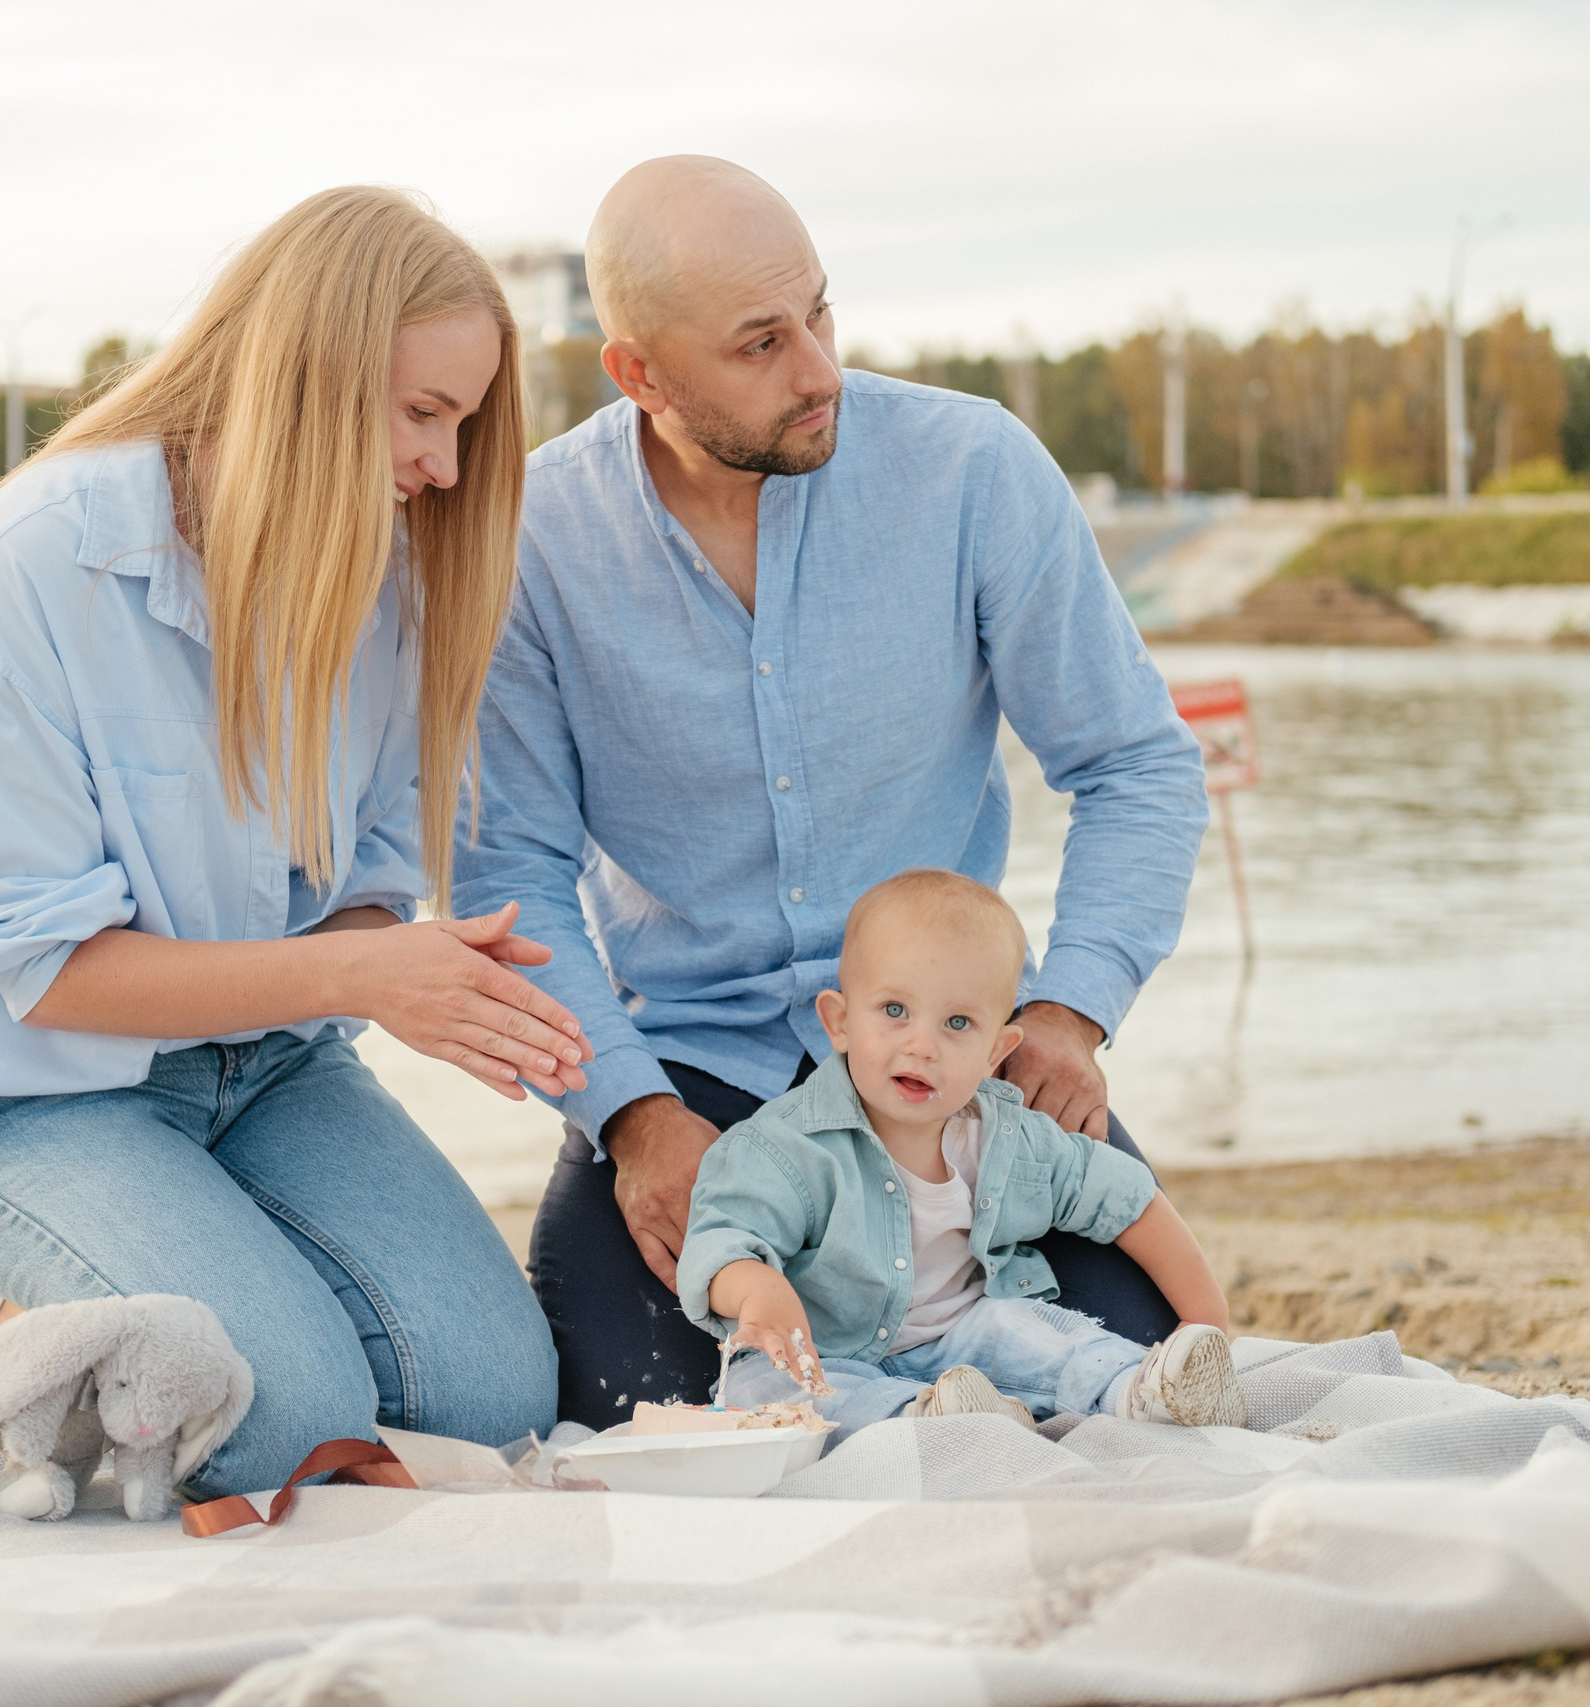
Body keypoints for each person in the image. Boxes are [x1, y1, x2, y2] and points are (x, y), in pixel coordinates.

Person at [451, 156, 1210, 1428]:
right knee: (616, 1416)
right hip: (688, 1076)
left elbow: (1132, 762)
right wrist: (631, 1121)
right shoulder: (528, 541)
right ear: (637, 373)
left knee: (1123, 1390)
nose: (816, 370)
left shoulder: (973, 471)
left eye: (819, 313)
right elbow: (506, 876)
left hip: (959, 1067)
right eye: (760, 342)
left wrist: (1071, 1012)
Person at [0, 187, 590, 1498]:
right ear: (305, 378)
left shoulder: (386, 581)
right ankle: (24, 1326)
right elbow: (46, 968)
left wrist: (408, 971)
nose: (448, 467)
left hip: (271, 1073)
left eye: (465, 424)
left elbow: (361, 897)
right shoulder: (25, 571)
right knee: (286, 1417)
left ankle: (163, 1285)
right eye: (425, 414)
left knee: (494, 1392)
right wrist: (358, 979)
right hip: (41, 1093)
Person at [676, 870, 1245, 1436]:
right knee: (763, 1389)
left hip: (963, 1335)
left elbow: (1123, 1197)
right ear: (840, 1022)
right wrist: (757, 1288)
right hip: (827, 1352)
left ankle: (1146, 1387)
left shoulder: (1004, 1137)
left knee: (1041, 1335)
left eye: (957, 1023)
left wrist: (1206, 1318)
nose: (921, 1045)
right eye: (894, 1011)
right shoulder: (784, 1146)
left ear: (996, 1050)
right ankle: (922, 1420)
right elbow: (718, 1242)